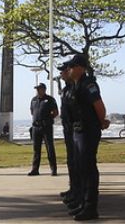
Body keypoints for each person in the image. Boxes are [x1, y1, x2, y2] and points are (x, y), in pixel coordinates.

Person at [65, 54, 109, 221]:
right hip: (77, 132)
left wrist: (101, 122)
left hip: (88, 131)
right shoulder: (75, 85)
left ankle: (91, 207)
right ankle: (83, 203)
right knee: (80, 168)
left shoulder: (88, 84)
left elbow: (99, 106)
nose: (69, 69)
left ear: (81, 68)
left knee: (88, 168)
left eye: (72, 66)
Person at [58, 62, 80, 209]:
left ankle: (80, 194)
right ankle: (74, 190)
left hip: (76, 129)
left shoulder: (77, 88)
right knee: (71, 162)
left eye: (63, 71)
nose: (61, 74)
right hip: (68, 129)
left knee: (78, 163)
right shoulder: (67, 89)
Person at [29, 82, 59, 176]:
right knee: (36, 149)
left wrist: (48, 119)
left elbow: (55, 112)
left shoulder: (50, 99)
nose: (37, 90)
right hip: (36, 127)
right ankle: (35, 169)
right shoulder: (34, 100)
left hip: (46, 127)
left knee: (50, 148)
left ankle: (53, 169)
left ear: (44, 89)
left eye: (39, 89)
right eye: (37, 89)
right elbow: (32, 111)